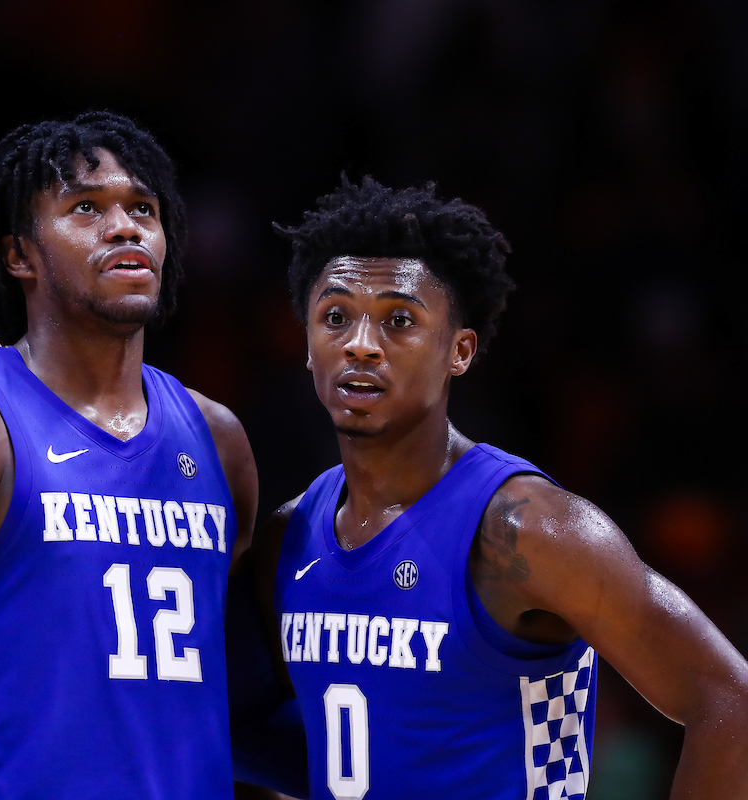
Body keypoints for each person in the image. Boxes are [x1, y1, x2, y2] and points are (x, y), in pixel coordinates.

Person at [252, 176, 748, 798]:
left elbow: (729, 701)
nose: (361, 345)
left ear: (459, 350)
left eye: (398, 320)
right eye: (335, 317)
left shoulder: (529, 530)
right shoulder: (289, 539)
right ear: (307, 343)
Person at [0, 112, 258, 800]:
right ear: (21, 255)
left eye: (143, 209)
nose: (126, 227)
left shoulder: (217, 437)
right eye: (86, 208)